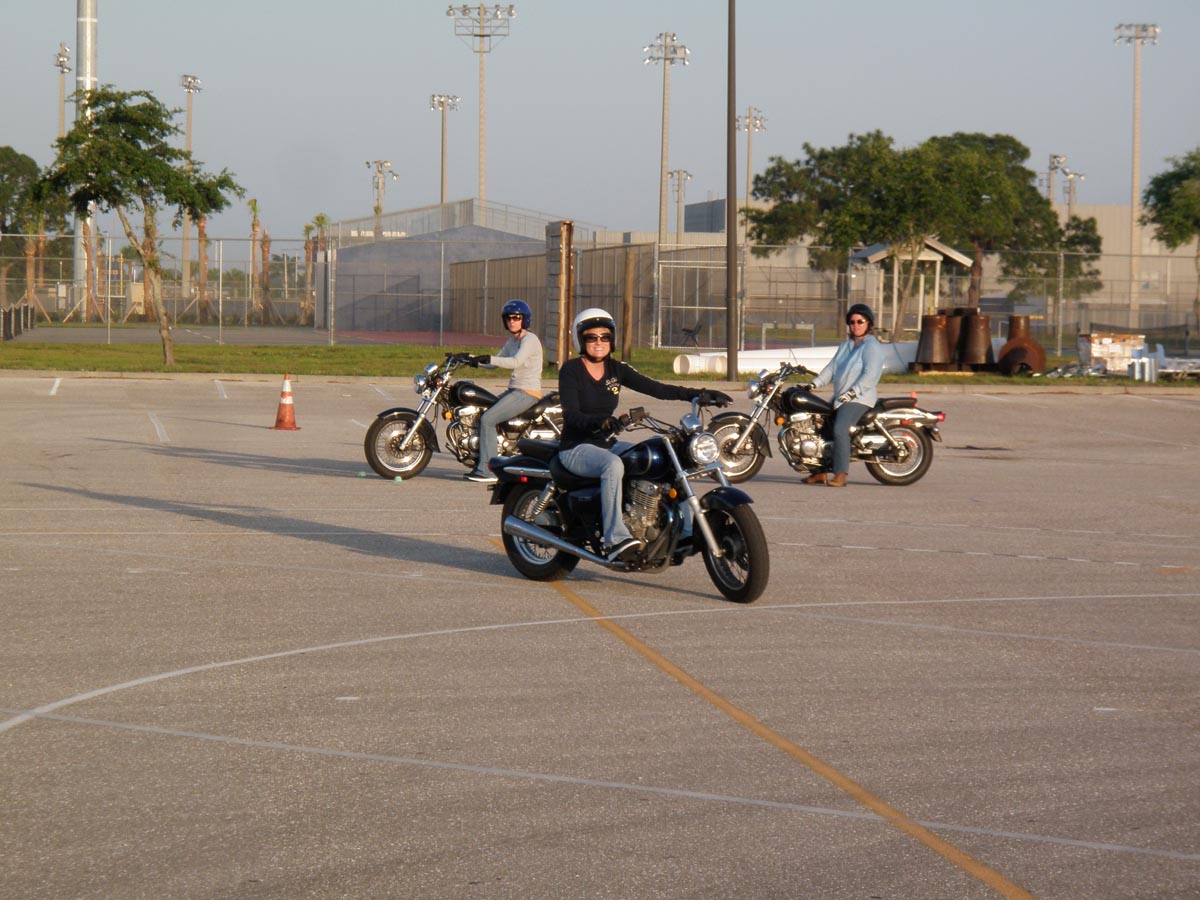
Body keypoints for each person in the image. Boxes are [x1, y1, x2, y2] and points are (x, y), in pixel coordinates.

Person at [557, 307, 732, 561]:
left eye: (604, 336)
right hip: (575, 447)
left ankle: (683, 534)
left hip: (606, 444)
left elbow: (657, 389)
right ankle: (615, 539)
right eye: (591, 337)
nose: (599, 342)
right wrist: (599, 422)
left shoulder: (616, 369)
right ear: (580, 340)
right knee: (613, 465)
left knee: (666, 458)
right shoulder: (571, 370)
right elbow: (571, 414)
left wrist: (698, 394)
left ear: (612, 339)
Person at [464, 298, 543, 484]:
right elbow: (494, 363)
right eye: (509, 318)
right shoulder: (512, 340)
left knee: (488, 419)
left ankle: (488, 470)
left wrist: (489, 359)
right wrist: (470, 359)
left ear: (525, 320)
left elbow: (515, 362)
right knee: (482, 412)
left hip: (527, 392)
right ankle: (485, 457)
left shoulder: (530, 340)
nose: (512, 321)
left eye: (516, 318)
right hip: (515, 390)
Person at [805, 303, 884, 487]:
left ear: (868, 323)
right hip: (841, 398)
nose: (855, 325)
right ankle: (820, 472)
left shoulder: (871, 347)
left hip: (859, 398)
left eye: (860, 321)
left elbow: (870, 375)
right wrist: (814, 384)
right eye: (852, 322)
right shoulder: (846, 346)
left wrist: (853, 392)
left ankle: (841, 473)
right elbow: (831, 368)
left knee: (840, 429)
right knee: (821, 426)